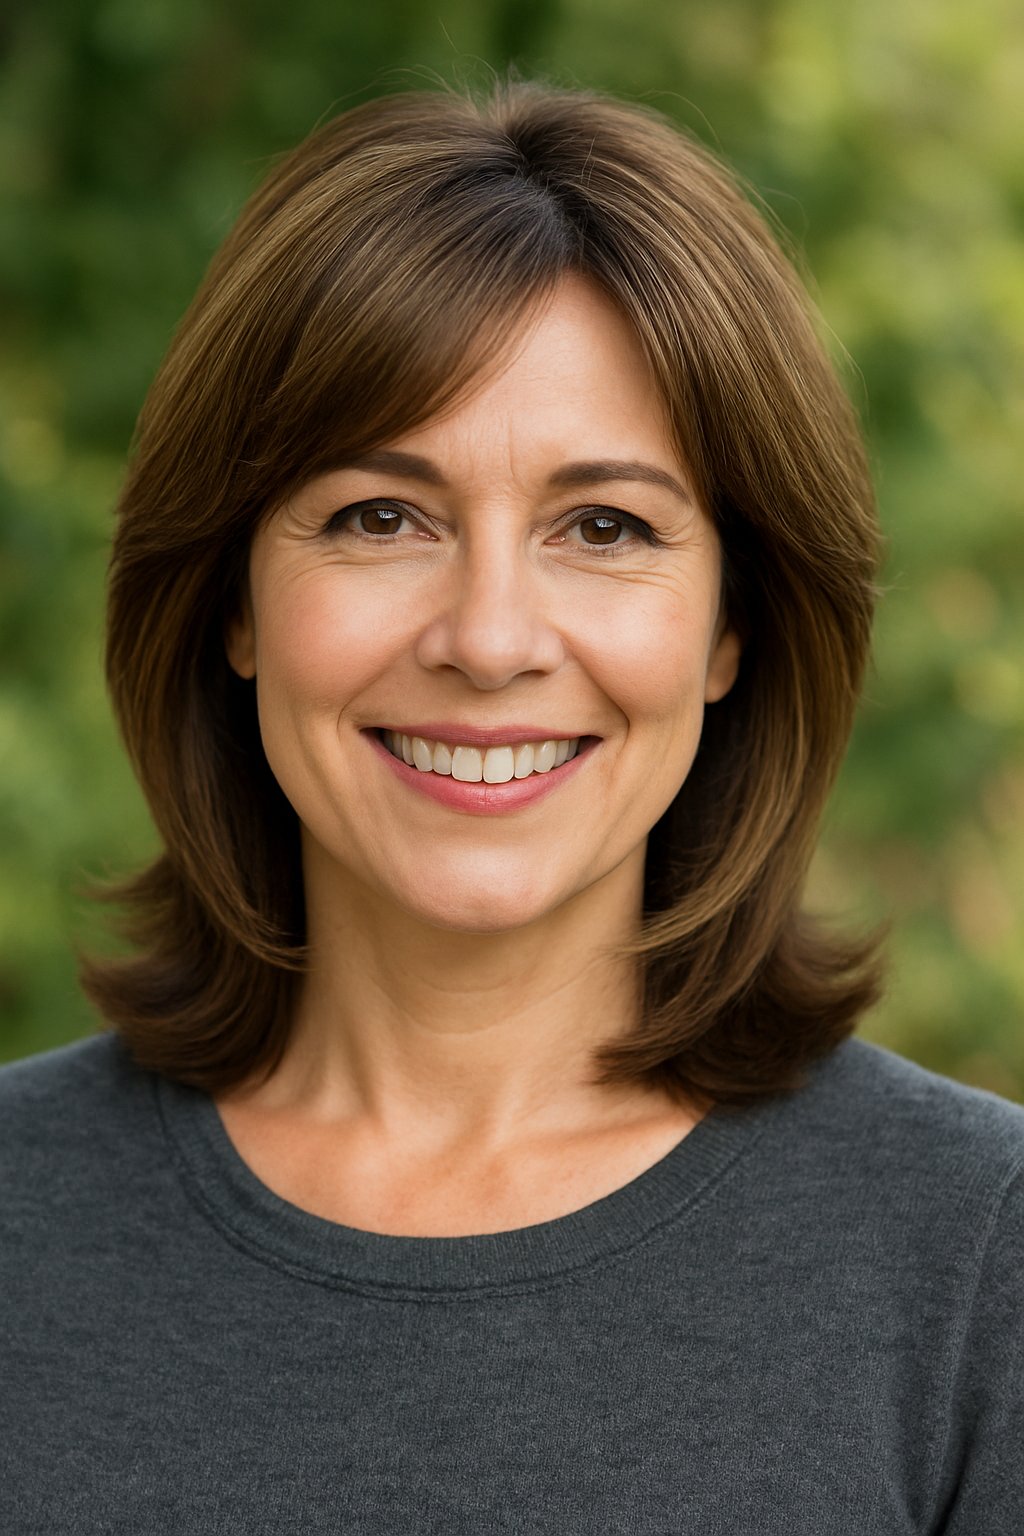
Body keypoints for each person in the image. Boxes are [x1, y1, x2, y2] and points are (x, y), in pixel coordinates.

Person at [1, 77, 1021, 1534]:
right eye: (379, 517)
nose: (489, 638)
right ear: (233, 598)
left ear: (735, 625)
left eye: (603, 527)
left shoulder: (981, 1264)